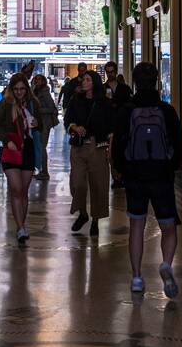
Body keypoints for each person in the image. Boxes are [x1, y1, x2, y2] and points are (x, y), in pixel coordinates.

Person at [112, 61, 182, 297]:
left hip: (135, 175)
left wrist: (121, 170)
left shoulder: (127, 110)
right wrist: (170, 167)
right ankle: (166, 264)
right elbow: (179, 144)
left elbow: (119, 142)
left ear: (134, 82)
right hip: (161, 175)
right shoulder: (166, 110)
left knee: (136, 225)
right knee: (168, 226)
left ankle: (136, 277)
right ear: (156, 81)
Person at [65, 70, 115, 236]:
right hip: (78, 147)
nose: (84, 82)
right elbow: (67, 119)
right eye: (83, 80)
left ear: (94, 82)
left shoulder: (105, 103)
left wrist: (110, 150)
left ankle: (95, 220)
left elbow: (111, 128)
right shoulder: (75, 100)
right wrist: (74, 127)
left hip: (97, 147)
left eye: (87, 79)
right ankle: (83, 214)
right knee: (77, 183)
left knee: (98, 185)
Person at [0, 73, 38, 244]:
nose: (19, 92)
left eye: (22, 89)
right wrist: (7, 140)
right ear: (11, 89)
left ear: (27, 89)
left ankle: (21, 225)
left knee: (23, 191)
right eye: (16, 89)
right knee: (16, 188)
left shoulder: (33, 103)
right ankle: (20, 227)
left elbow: (43, 120)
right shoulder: (6, 103)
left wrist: (37, 123)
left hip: (28, 149)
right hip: (11, 149)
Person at [103, 62, 131, 188]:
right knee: (110, 153)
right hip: (108, 124)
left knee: (121, 151)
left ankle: (122, 176)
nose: (110, 74)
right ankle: (115, 177)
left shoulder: (124, 88)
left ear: (115, 71)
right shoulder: (103, 89)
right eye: (108, 72)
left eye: (112, 71)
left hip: (122, 125)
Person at [31, 73, 58, 180]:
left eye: (39, 79)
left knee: (42, 147)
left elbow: (52, 108)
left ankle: (45, 172)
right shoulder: (35, 92)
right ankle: (41, 170)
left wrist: (38, 110)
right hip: (38, 123)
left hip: (44, 123)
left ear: (43, 81)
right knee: (39, 146)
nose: (36, 81)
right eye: (35, 79)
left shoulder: (45, 93)